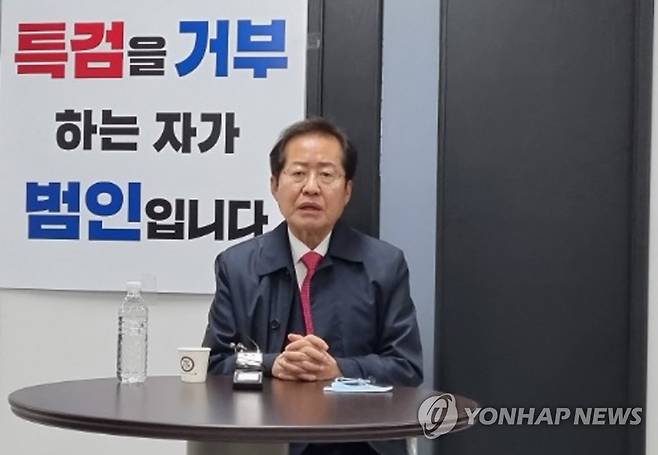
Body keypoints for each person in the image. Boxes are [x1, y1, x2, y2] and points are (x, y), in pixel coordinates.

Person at [202, 118, 423, 455]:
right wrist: (273, 364)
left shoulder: (384, 265)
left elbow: (406, 368)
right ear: (275, 185)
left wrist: (338, 370)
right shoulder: (237, 267)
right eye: (298, 173)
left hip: (359, 442)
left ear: (347, 191)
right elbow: (215, 364)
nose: (311, 188)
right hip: (267, 441)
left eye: (326, 175)